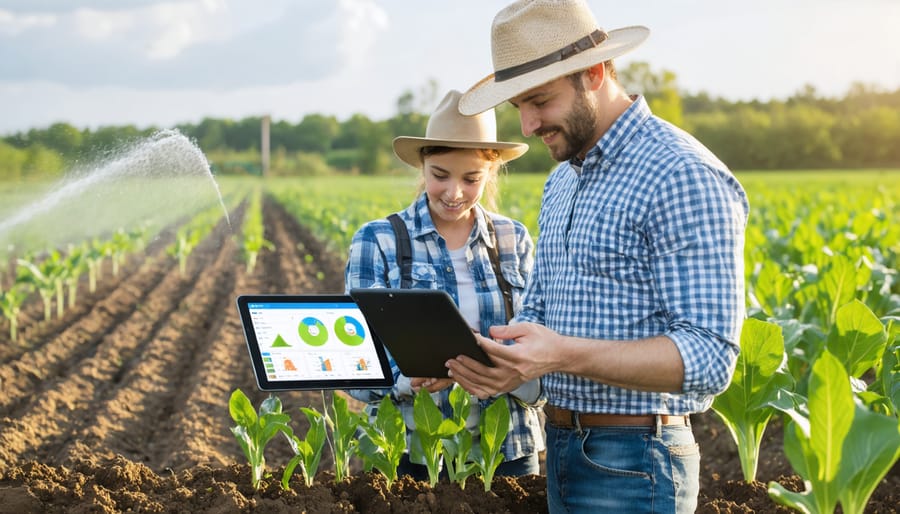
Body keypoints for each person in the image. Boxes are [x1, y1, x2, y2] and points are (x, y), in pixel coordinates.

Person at [445, 1, 750, 512]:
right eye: (518, 105)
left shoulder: (680, 174)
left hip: (638, 462)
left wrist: (561, 353)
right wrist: (496, 360)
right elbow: (542, 311)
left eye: (539, 100)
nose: (526, 124)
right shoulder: (563, 178)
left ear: (592, 71)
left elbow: (709, 355)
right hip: (562, 448)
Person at [344, 89, 545, 481]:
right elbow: (356, 365)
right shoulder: (379, 241)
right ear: (423, 167)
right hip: (407, 455)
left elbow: (543, 348)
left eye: (471, 179)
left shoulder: (513, 240)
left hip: (506, 452)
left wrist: (504, 372)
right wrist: (409, 379)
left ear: (491, 172)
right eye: (440, 176)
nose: (454, 193)